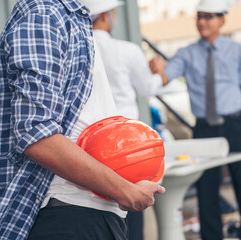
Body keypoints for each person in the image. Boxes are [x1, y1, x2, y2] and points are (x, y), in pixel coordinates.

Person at [0, 0, 165, 239]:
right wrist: (125, 191)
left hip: (85, 212)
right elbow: (37, 134)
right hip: (69, 215)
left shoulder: (69, 17)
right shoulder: (45, 14)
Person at [149, 0, 241, 239]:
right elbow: (166, 75)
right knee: (206, 189)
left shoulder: (238, 51)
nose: (202, 21)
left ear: (222, 19)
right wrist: (156, 68)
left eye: (208, 16)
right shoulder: (187, 53)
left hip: (236, 125)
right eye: (199, 16)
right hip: (204, 129)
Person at [79, 1, 169, 239]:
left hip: (92, 146)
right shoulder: (128, 50)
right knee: (134, 204)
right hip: (129, 148)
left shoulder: (79, 48)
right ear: (107, 16)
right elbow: (148, 87)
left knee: (101, 207)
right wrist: (160, 73)